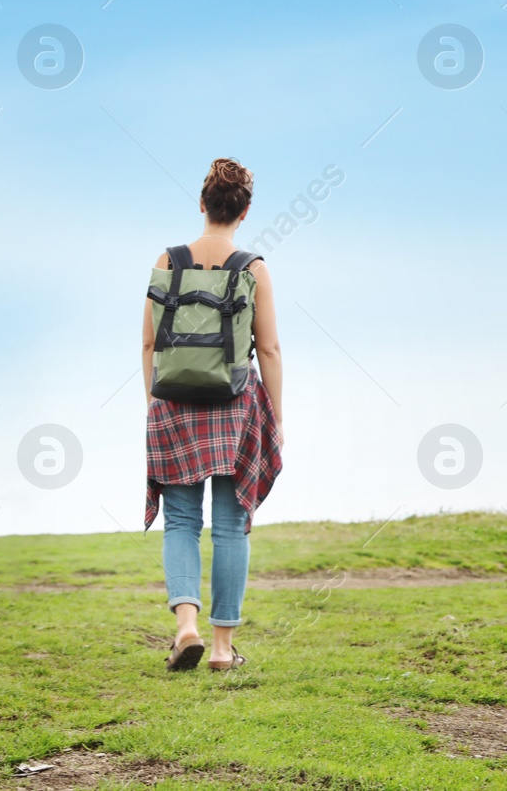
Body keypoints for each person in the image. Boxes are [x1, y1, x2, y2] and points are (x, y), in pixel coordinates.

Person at [141, 158, 283, 672]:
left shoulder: (168, 258)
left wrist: (155, 401)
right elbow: (267, 350)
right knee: (230, 524)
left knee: (180, 520)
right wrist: (278, 419)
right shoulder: (252, 267)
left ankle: (185, 627)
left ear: (202, 205)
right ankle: (222, 649)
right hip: (235, 403)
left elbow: (150, 341)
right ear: (244, 213)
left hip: (174, 402)